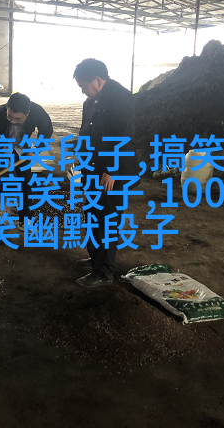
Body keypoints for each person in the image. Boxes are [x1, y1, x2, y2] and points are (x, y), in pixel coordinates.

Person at [72, 58, 138, 287]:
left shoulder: (121, 99)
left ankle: (104, 272)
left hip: (112, 173)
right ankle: (95, 259)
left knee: (107, 218)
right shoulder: (91, 102)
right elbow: (87, 131)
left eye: (84, 85)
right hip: (93, 168)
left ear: (98, 80)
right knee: (92, 214)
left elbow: (125, 136)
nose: (82, 90)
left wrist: (113, 170)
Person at [0, 92, 53, 239]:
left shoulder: (37, 112)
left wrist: (37, 149)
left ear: (28, 113)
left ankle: (25, 219)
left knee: (25, 182)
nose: (13, 121)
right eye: (10, 117)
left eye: (18, 119)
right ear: (7, 108)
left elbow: (47, 131)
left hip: (21, 147)